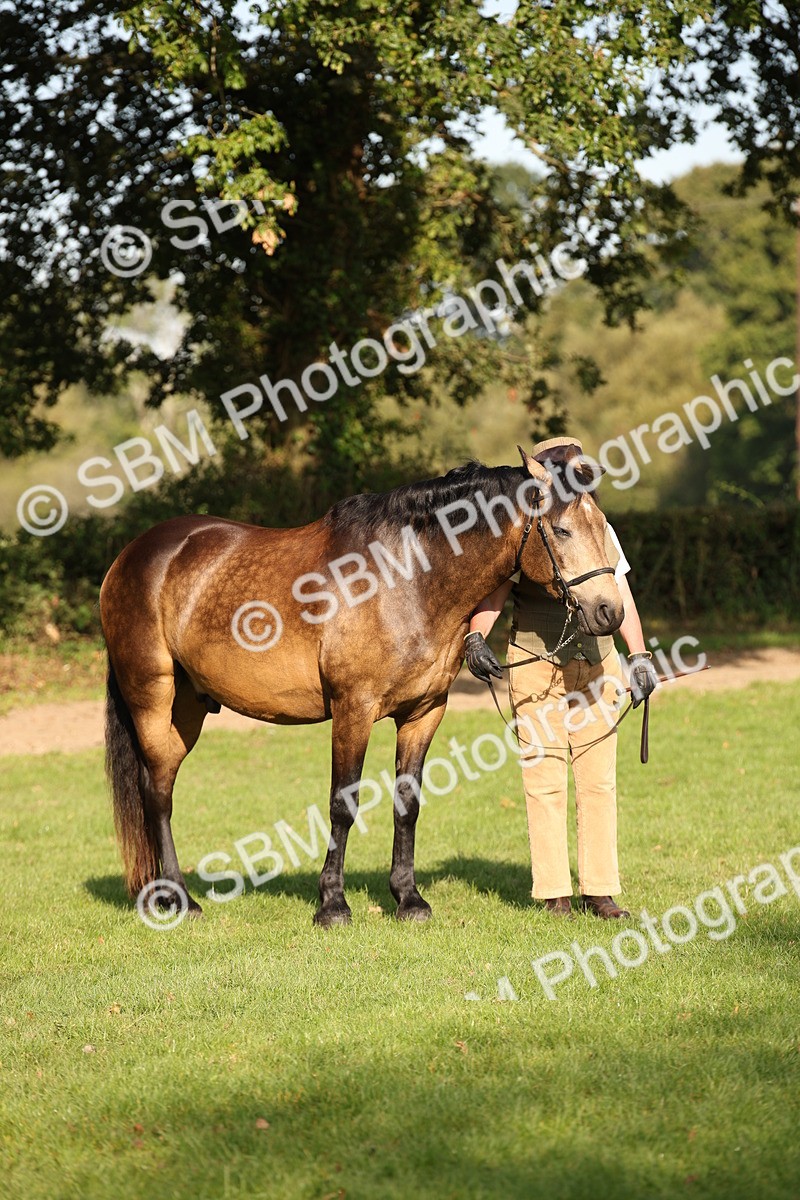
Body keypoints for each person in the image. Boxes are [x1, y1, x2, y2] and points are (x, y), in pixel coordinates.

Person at [464, 437, 657, 919]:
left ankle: (600, 890)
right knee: (543, 777)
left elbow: (622, 592)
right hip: (535, 660)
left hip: (597, 661)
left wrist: (639, 655)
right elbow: (494, 595)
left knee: (598, 779)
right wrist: (475, 637)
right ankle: (555, 893)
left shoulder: (596, 523)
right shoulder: (527, 528)